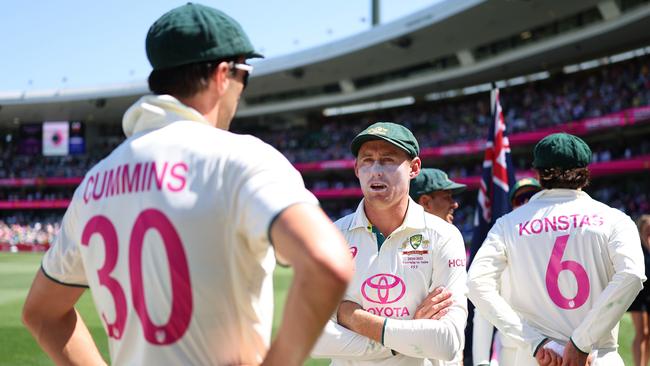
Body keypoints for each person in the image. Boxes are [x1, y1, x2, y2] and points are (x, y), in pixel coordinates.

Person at [21, 4, 352, 365]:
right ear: (223, 75)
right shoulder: (241, 158)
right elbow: (326, 261)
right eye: (246, 74)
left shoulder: (94, 182)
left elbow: (41, 314)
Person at [468, 132, 646, 366]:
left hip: (537, 358)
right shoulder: (615, 219)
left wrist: (537, 341)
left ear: (539, 174)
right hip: (597, 356)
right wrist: (582, 341)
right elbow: (632, 275)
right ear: (585, 173)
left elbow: (476, 283)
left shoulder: (508, 224)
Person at [311, 122, 468, 366]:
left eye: (387, 160)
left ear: (414, 168)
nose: (375, 170)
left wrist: (353, 318)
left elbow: (448, 342)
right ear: (356, 169)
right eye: (367, 160)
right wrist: (403, 342)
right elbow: (312, 337)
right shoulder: (333, 237)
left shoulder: (444, 236)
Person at [471, 177, 542, 366]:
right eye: (520, 200)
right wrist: (481, 361)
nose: (526, 203)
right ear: (511, 207)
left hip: (557, 348)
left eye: (532, 197)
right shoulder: (499, 246)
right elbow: (483, 303)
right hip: (513, 351)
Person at [628, 215, 650, 366]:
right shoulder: (636, 246)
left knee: (648, 334)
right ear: (641, 228)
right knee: (641, 333)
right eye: (647, 227)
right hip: (638, 294)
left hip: (649, 294)